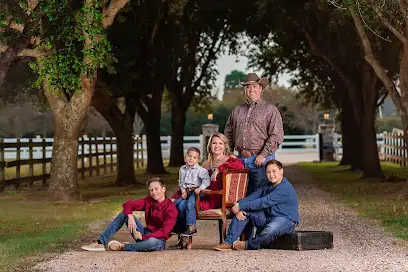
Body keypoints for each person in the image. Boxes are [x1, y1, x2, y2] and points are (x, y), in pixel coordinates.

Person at [169, 132, 244, 249]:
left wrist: (219, 169)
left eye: (220, 143)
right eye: (214, 143)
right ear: (210, 146)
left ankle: (185, 234)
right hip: (202, 195)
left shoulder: (230, 159)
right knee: (181, 203)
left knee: (185, 205)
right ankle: (184, 237)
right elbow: (193, 183)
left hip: (217, 197)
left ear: (225, 146)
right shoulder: (206, 163)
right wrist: (176, 195)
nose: (217, 146)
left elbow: (239, 166)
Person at [213, 159, 299, 251]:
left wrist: (240, 206)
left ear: (281, 171)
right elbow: (254, 196)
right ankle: (228, 242)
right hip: (268, 217)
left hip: (285, 219)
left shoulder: (284, 188)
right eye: (268, 172)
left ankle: (248, 245)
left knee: (270, 229)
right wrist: (240, 205)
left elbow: (263, 202)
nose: (271, 174)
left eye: (274, 171)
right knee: (245, 212)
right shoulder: (267, 185)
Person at [224, 72, 284, 196]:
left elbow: (276, 135)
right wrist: (230, 153)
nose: (251, 89)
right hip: (240, 159)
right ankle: (244, 216)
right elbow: (228, 131)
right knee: (240, 194)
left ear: (260, 88)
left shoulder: (270, 109)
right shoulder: (237, 110)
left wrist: (263, 155)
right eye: (248, 86)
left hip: (261, 160)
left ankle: (263, 216)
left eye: (254, 86)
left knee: (261, 194)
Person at [81, 177, 178, 252]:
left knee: (151, 242)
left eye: (156, 189)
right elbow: (128, 204)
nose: (154, 192)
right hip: (143, 233)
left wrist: (143, 238)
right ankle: (100, 242)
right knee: (125, 213)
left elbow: (164, 232)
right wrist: (130, 216)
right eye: (151, 190)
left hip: (157, 240)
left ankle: (124, 247)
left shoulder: (171, 209)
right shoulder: (149, 200)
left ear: (163, 189)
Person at [171, 147, 210, 236]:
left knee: (189, 204)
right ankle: (180, 226)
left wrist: (200, 188)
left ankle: (192, 227)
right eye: (189, 156)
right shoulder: (182, 169)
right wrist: (183, 191)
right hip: (187, 191)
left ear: (198, 160)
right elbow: (181, 182)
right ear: (185, 157)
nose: (191, 159)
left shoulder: (200, 170)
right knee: (177, 204)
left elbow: (207, 180)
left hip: (197, 192)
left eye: (194, 157)